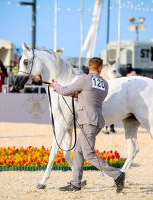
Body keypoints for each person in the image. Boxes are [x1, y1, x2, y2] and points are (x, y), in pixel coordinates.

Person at [50, 57, 125, 193]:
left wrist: (55, 86)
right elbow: (91, 97)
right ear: (101, 68)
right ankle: (76, 183)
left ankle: (117, 174)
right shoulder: (104, 84)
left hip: (88, 121)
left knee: (89, 154)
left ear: (88, 66)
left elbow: (66, 90)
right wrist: (77, 95)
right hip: (96, 120)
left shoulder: (84, 79)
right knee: (78, 152)